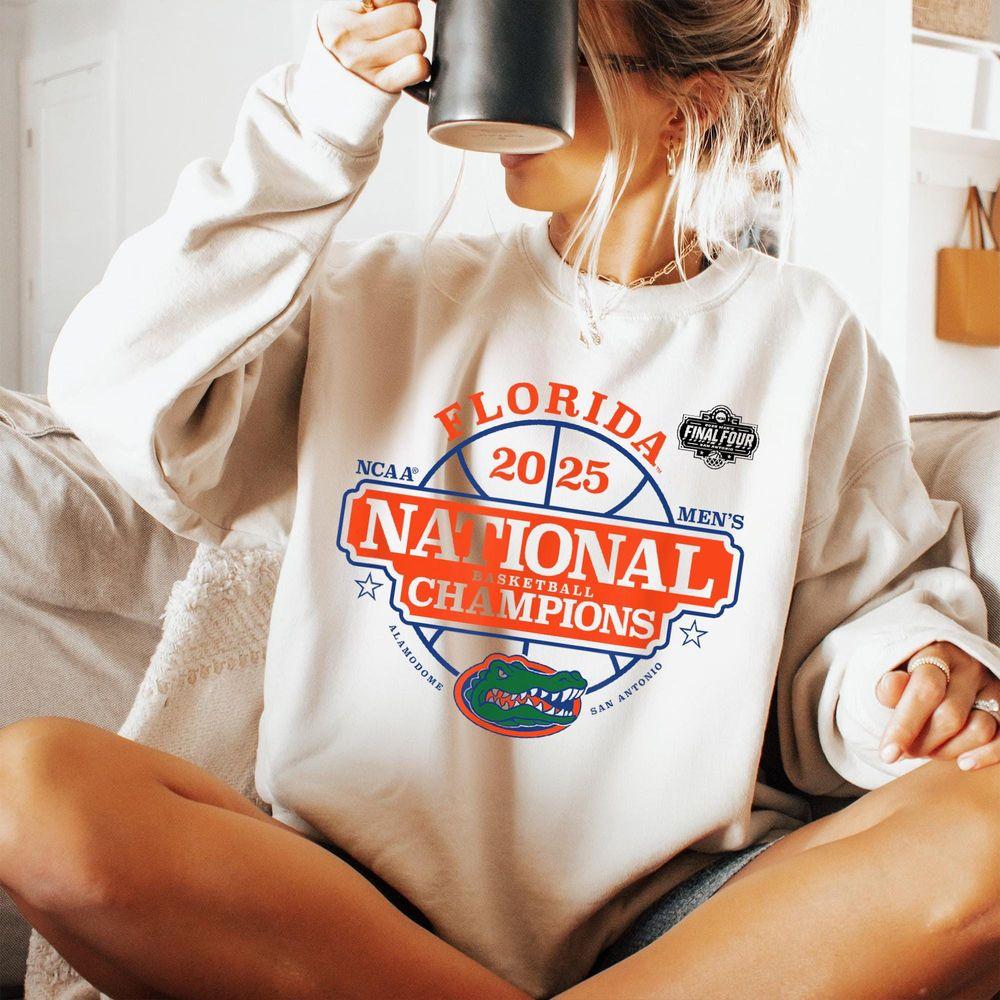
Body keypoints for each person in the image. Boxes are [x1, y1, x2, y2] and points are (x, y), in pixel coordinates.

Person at [2, 1, 999, 997]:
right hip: (347, 897)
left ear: (687, 108)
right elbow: (110, 384)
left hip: (677, 921)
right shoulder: (379, 296)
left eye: (560, 52)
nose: (499, 82)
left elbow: (848, 631)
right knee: (30, 790)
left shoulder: (803, 335)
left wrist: (904, 675)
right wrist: (316, 129)